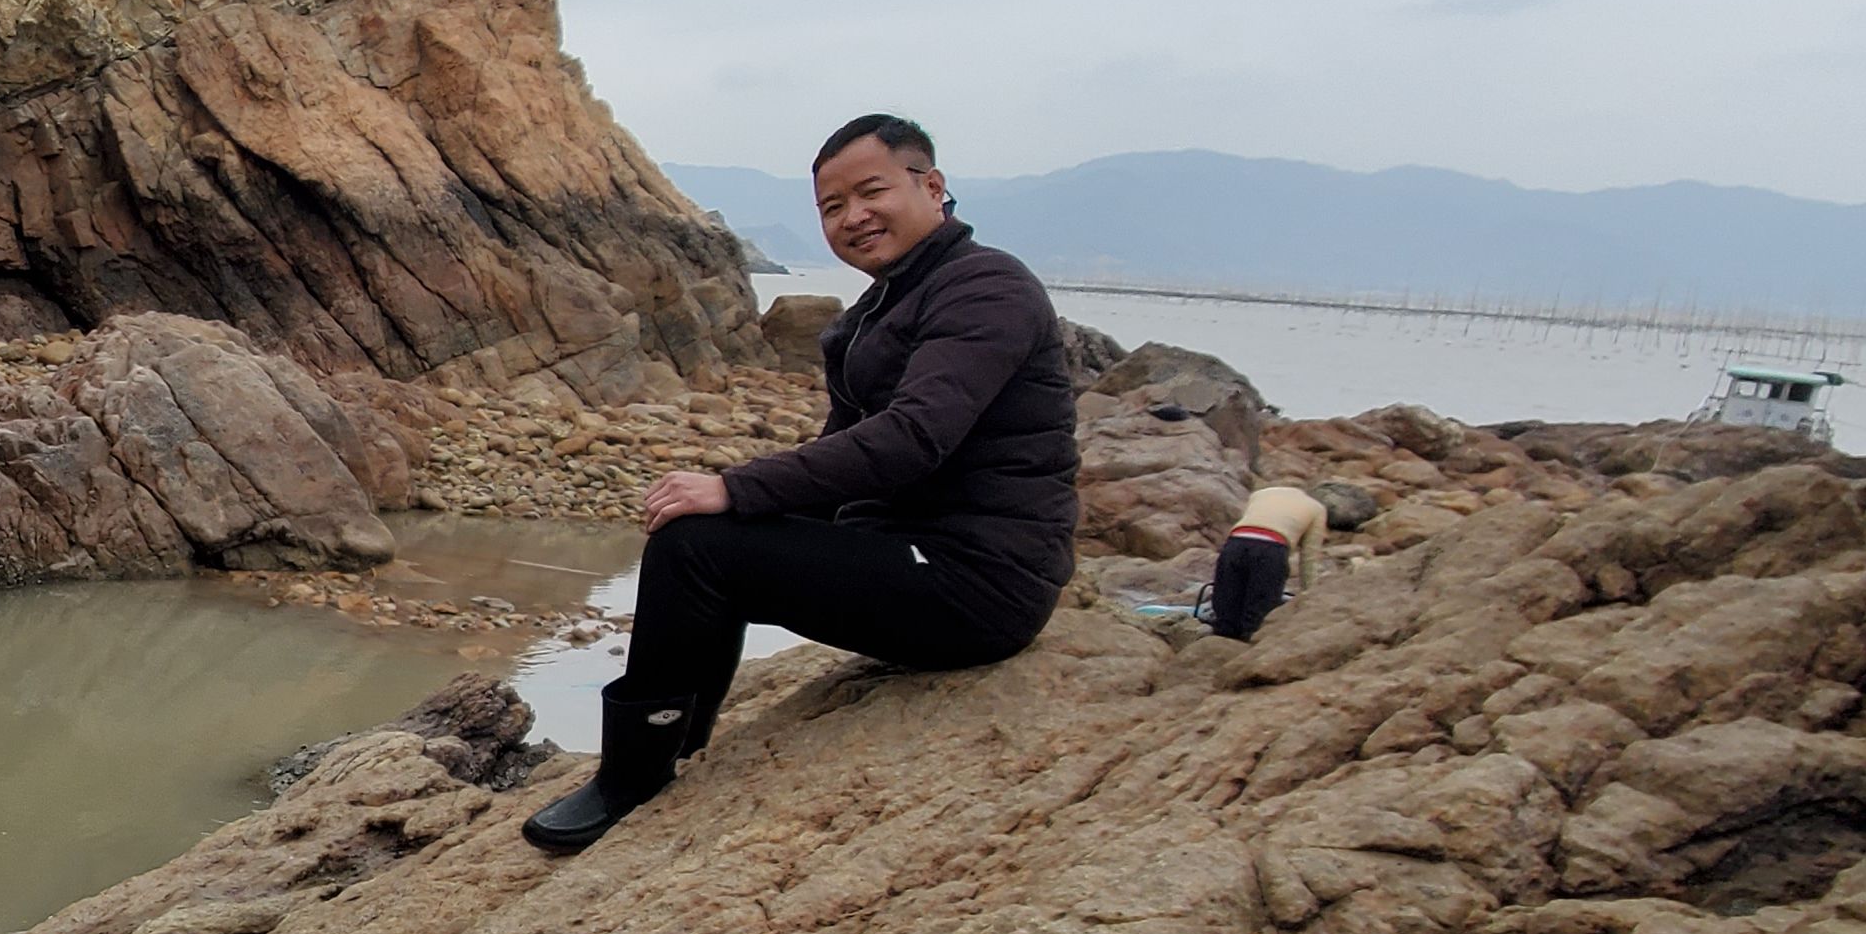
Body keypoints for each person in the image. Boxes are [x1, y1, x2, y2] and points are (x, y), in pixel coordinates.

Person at [524, 113, 1082, 855]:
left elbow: (912, 439)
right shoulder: (882, 307)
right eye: (830, 207)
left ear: (932, 187)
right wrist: (758, 519)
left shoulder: (986, 287)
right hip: (907, 553)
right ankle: (673, 746)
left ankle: (631, 776)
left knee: (700, 546)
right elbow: (842, 454)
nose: (853, 217)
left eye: (870, 192)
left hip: (977, 582)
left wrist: (734, 488)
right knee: (706, 543)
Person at [1204, 482, 1326, 640]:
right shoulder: (1316, 508)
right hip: (1272, 548)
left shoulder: (1260, 494)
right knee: (1258, 615)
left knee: (1226, 609)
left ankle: (1221, 642)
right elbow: (1309, 558)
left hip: (1236, 542)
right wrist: (1310, 594)